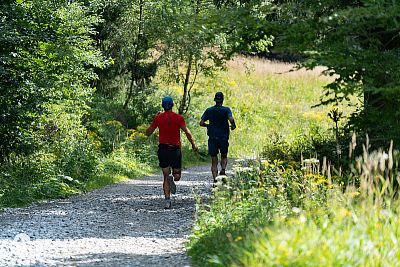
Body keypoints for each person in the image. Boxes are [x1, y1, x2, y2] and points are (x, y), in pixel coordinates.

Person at [146, 96, 198, 209]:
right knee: (177, 176)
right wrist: (193, 144)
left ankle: (168, 198)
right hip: (175, 150)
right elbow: (187, 132)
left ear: (162, 106)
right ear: (173, 105)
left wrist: (155, 119)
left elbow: (148, 133)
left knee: (166, 176)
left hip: (163, 150)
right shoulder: (179, 118)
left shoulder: (158, 118)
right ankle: (170, 188)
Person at [200, 92, 236, 182]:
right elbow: (231, 119)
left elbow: (201, 123)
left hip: (212, 137)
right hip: (223, 137)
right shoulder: (226, 110)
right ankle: (223, 169)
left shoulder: (209, 110)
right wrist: (233, 125)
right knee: (224, 155)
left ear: (215, 100)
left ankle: (215, 179)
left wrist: (207, 125)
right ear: (222, 100)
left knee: (214, 159)